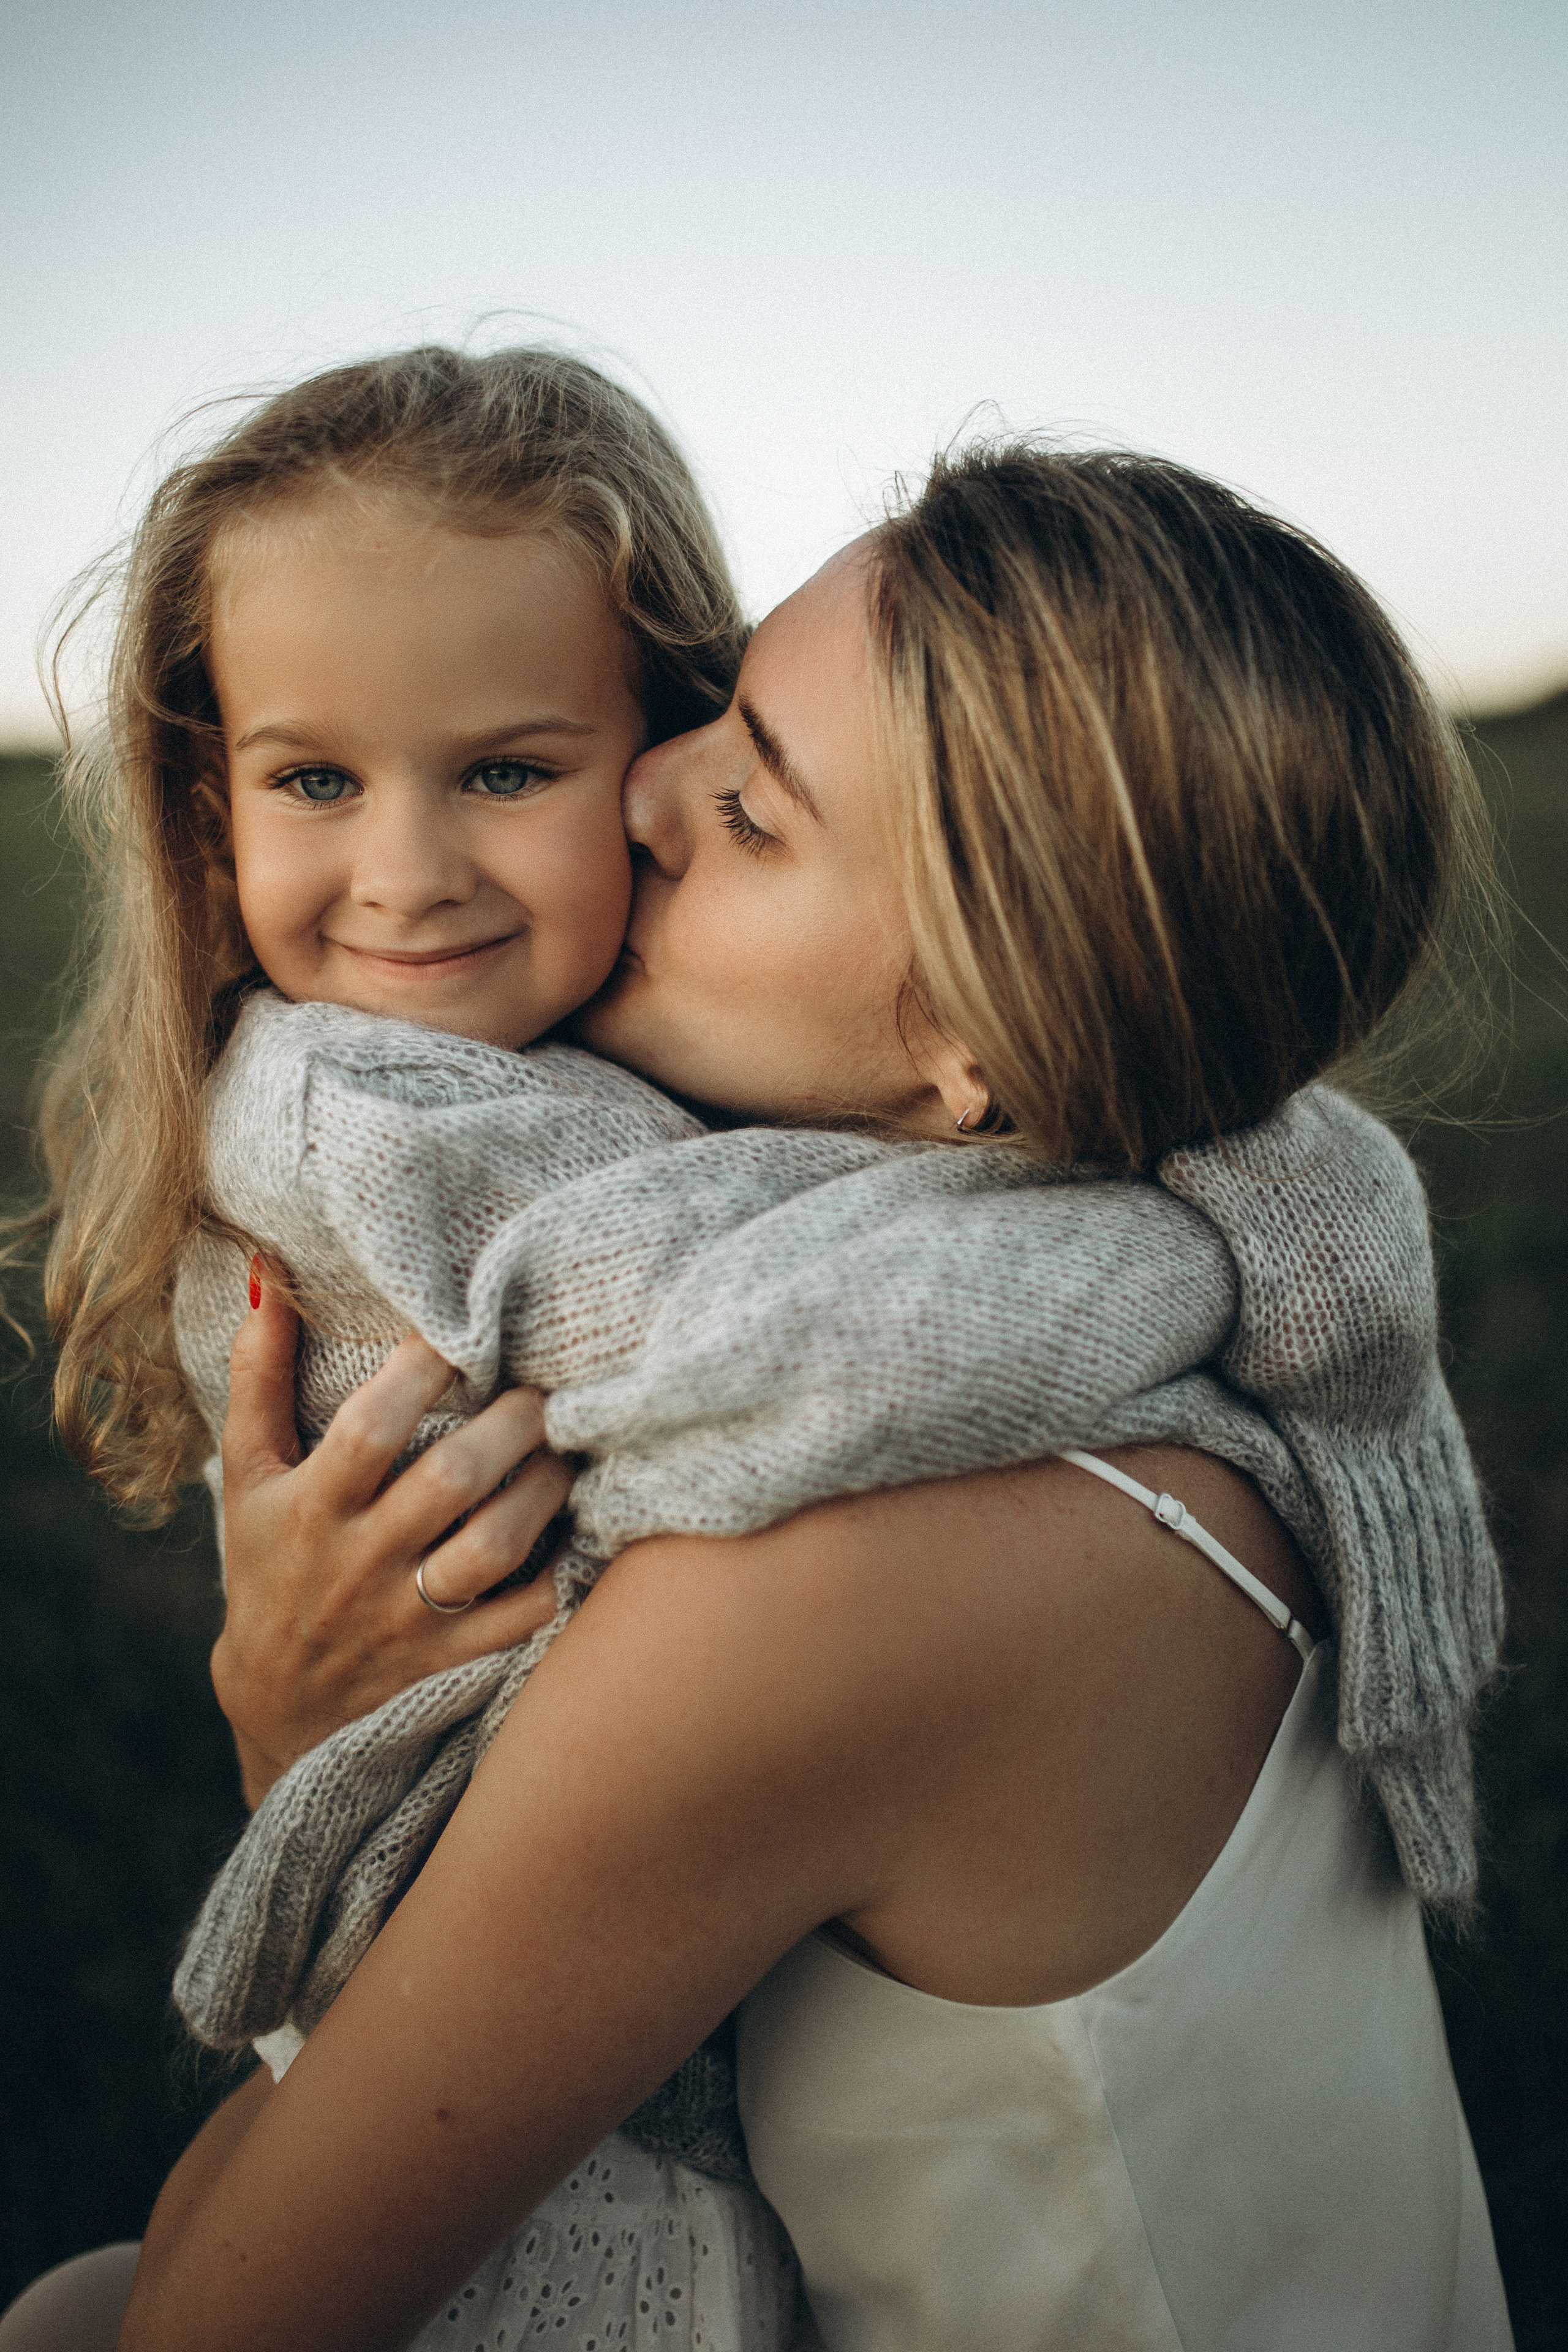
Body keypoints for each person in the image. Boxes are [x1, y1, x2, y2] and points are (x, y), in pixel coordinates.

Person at [2, 423, 1511, 2349]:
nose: (642, 793)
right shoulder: (1189, 1289)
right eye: (715, 718)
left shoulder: (835, 1550)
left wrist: (294, 1736)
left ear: (971, 1034)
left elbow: (235, 2309)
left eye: (753, 815)